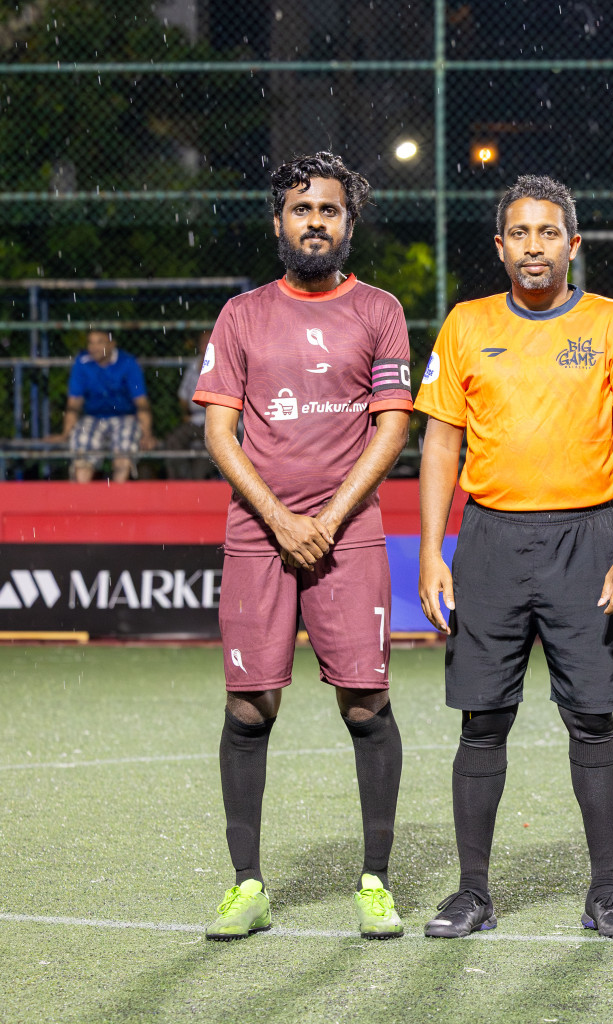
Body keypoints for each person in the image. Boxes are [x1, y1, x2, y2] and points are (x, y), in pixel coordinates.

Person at [415, 175, 613, 940]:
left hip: (588, 539)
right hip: (490, 539)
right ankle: (472, 893)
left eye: (548, 232)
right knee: (481, 721)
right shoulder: (465, 324)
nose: (533, 246)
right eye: (519, 233)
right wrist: (432, 548)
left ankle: (607, 891)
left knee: (592, 720)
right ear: (499, 247)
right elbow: (441, 440)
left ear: (573, 244)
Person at [194, 151, 413, 940]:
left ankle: (376, 883)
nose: (313, 221)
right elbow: (222, 431)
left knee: (365, 703)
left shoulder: (380, 310)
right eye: (300, 208)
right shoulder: (242, 314)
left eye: (328, 210)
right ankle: (247, 886)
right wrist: (282, 519)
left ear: (349, 224)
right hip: (258, 533)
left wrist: (327, 515)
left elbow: (392, 425)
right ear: (278, 220)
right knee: (249, 708)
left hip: (350, 534)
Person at [58, 329, 156, 482]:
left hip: (125, 417)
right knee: (82, 451)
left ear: (112, 344)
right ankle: (80, 502)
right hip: (92, 418)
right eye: (91, 342)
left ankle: (118, 500)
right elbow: (74, 404)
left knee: (123, 455)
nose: (94, 347)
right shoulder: (82, 362)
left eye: (100, 342)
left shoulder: (128, 362)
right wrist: (65, 434)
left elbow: (141, 403)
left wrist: (147, 434)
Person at [164, 331, 214, 479]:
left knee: (211, 448)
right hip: (195, 420)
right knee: (173, 442)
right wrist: (186, 414)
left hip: (218, 421)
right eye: (203, 341)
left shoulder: (226, 363)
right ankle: (179, 483)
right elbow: (183, 395)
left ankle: (195, 484)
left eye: (209, 341)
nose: (205, 345)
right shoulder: (193, 366)